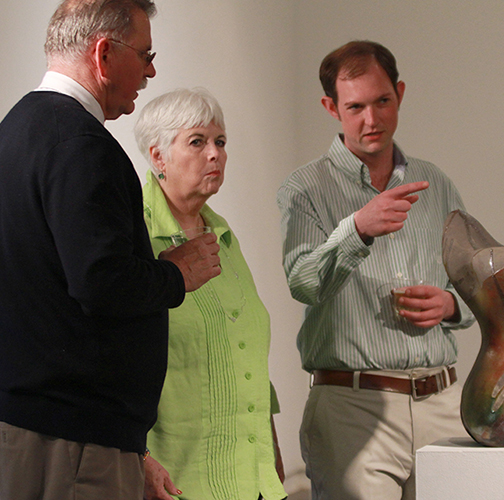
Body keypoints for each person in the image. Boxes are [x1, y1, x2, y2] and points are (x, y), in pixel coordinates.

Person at [0, 2, 220, 500]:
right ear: (103, 54)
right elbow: (101, 282)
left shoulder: (14, 130)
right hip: (72, 442)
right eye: (145, 53)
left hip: (36, 427)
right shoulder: (81, 142)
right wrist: (174, 274)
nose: (151, 70)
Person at [277, 40, 475, 500]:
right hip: (352, 406)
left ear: (400, 94)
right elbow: (303, 283)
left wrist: (449, 305)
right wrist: (358, 230)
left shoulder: (436, 182)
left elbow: (477, 282)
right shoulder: (305, 188)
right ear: (331, 107)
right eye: (356, 106)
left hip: (442, 400)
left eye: (382, 101)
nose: (372, 119)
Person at [134, 88, 287, 500]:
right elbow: (110, 362)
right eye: (197, 142)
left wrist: (270, 453)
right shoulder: (134, 238)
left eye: (220, 142)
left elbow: (246, 355)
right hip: (177, 482)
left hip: (252, 481)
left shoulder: (222, 237)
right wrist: (138, 456)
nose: (215, 154)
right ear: (158, 156)